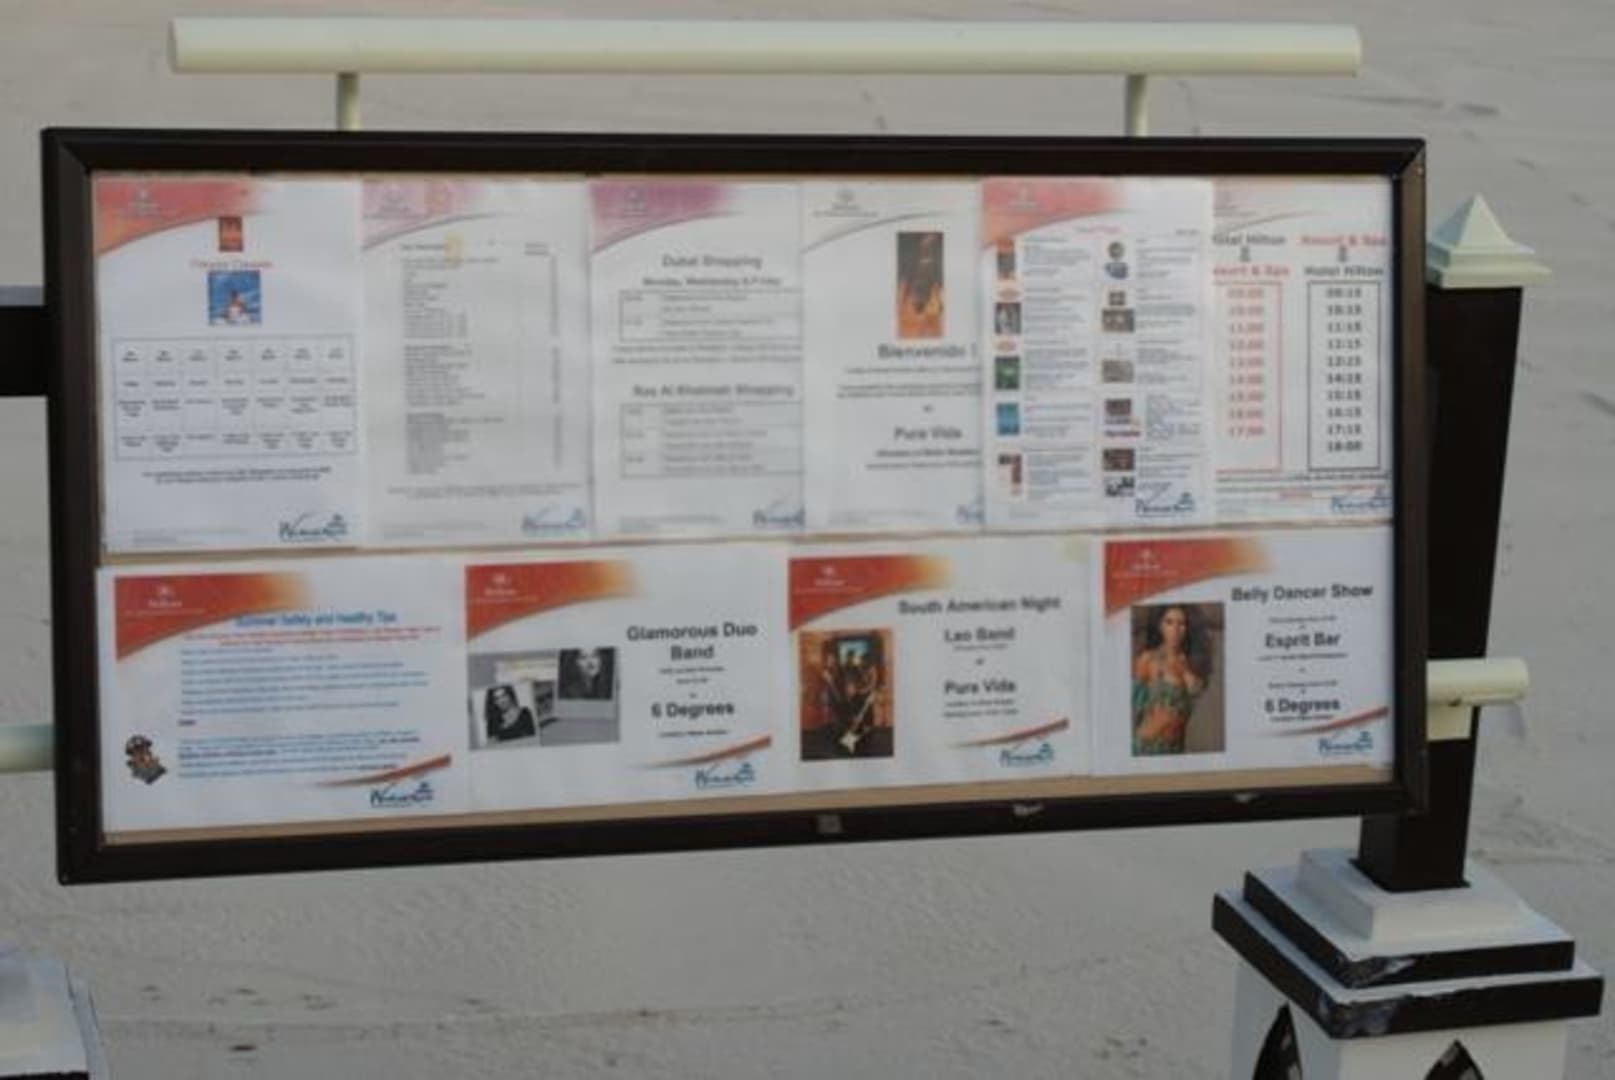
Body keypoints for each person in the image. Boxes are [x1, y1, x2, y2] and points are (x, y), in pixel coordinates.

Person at [1131, 605, 1211, 754]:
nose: (1175, 629)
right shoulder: (1148, 659)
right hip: (1146, 746)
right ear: (1160, 626)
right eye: (1169, 622)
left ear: (1188, 628)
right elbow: (1132, 706)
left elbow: (1190, 705)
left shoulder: (1193, 664)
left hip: (1175, 749)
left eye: (1182, 623)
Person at [896, 232, 944, 338]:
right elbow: (934, 285)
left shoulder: (916, 291)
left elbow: (911, 283)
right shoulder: (924, 293)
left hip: (922, 274)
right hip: (925, 274)